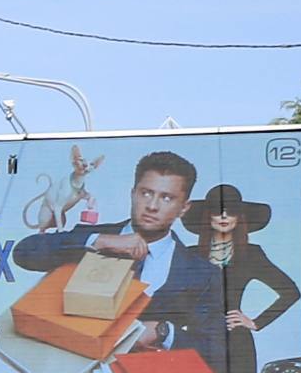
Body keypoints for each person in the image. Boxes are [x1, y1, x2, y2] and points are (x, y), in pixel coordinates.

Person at [14, 149, 199, 357]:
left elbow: (216, 348)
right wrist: (99, 240)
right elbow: (24, 252)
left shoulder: (200, 272)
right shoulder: (91, 236)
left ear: (184, 208)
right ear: (133, 193)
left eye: (166, 198)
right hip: (70, 364)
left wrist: (163, 332)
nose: (152, 206)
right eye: (146, 193)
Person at [155, 183, 301, 373]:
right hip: (196, 340)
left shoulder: (251, 254)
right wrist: (171, 329)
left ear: (239, 217)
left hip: (236, 344)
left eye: (231, 211)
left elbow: (291, 292)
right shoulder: (189, 255)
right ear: (208, 216)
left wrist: (256, 322)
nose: (224, 216)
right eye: (218, 210)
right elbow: (169, 299)